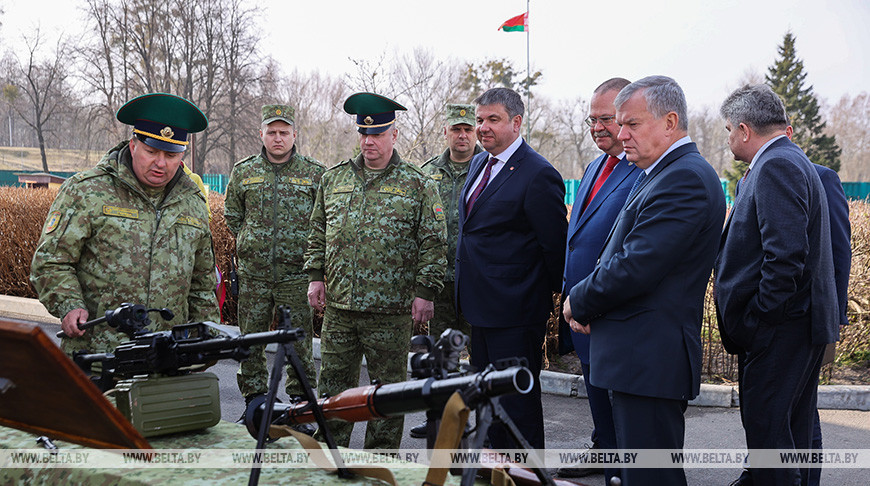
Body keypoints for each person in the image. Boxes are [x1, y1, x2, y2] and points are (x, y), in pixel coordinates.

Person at [564, 76, 725, 486]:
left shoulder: (683, 178)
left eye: (631, 124)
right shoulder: (662, 171)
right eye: (619, 124)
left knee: (652, 477)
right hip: (638, 357)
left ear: (670, 122)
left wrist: (579, 300)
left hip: (649, 358)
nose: (621, 134)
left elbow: (637, 264)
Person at [304, 92, 447, 449]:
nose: (370, 141)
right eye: (364, 134)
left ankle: (379, 464)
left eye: (378, 134)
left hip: (390, 311)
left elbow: (434, 241)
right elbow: (318, 230)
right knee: (333, 392)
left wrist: (425, 292)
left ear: (394, 135)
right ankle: (329, 461)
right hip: (339, 309)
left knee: (386, 396)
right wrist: (315, 275)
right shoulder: (333, 180)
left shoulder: (418, 184)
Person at [715, 84, 839, 486]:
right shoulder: (788, 159)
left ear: (745, 130)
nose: (728, 138)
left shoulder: (776, 165)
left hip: (781, 330)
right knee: (793, 436)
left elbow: (785, 257)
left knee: (769, 437)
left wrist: (759, 322)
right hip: (791, 328)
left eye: (729, 129)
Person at [31, 92, 218, 354]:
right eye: (151, 151)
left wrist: (206, 342)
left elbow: (203, 285)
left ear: (182, 155)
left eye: (171, 155)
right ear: (133, 145)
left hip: (167, 360)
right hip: (97, 358)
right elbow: (51, 261)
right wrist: (69, 304)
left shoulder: (193, 203)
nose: (160, 163)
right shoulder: (87, 191)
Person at [455, 87, 567, 450]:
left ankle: (525, 474)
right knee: (486, 402)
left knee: (517, 408)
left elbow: (554, 246)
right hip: (480, 308)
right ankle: (491, 472)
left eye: (493, 120)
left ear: (516, 123)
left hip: (516, 313)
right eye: (480, 120)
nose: (482, 128)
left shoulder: (538, 174)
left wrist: (536, 297)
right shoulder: (478, 163)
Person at [555, 77, 639, 483]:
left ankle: (623, 465)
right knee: (595, 392)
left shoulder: (643, 172)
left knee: (620, 401)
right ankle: (604, 449)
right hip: (582, 307)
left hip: (611, 309)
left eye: (606, 118)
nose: (598, 128)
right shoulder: (593, 167)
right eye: (592, 119)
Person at [224, 104, 325, 429]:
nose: (278, 138)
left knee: (298, 343)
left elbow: (322, 220)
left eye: (284, 132)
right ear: (261, 134)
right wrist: (250, 243)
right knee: (249, 341)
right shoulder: (244, 171)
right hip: (254, 276)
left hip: (296, 276)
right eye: (272, 132)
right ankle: (254, 403)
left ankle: (301, 408)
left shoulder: (314, 173)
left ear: (294, 134)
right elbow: (232, 216)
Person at [410, 103, 482, 439]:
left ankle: (472, 418)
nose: (463, 135)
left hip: (476, 281)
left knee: (479, 357)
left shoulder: (488, 169)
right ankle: (438, 418)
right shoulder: (427, 173)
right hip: (438, 283)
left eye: (468, 129)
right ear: (446, 132)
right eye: (457, 129)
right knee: (438, 356)